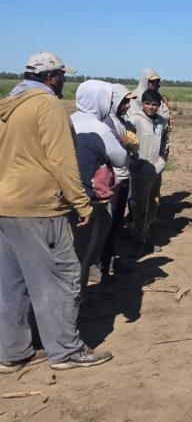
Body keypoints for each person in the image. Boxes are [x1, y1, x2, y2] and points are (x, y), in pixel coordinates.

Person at [0, 52, 113, 371]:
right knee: (60, 278)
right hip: (39, 206)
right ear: (51, 77)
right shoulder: (47, 105)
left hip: (6, 205)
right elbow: (62, 159)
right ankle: (66, 350)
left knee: (11, 284)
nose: (64, 81)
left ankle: (12, 352)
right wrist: (81, 202)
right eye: (63, 76)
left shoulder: (8, 106)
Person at [70, 80, 129, 295]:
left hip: (67, 194)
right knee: (87, 249)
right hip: (93, 197)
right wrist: (124, 143)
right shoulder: (100, 129)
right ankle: (78, 297)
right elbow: (121, 158)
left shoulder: (68, 120)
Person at [99, 84, 139, 279]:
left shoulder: (120, 120)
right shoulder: (107, 122)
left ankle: (110, 262)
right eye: (124, 102)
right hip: (112, 180)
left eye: (128, 102)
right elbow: (114, 148)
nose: (127, 106)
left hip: (123, 177)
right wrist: (126, 143)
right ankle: (101, 267)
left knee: (115, 224)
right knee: (107, 225)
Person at [129, 89, 169, 256]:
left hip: (155, 170)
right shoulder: (135, 120)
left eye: (154, 104)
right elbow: (128, 143)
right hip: (139, 172)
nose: (151, 107)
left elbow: (165, 143)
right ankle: (139, 242)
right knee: (140, 207)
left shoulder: (162, 122)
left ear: (159, 105)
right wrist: (134, 164)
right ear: (142, 104)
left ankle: (146, 235)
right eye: (147, 103)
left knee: (153, 203)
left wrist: (162, 162)